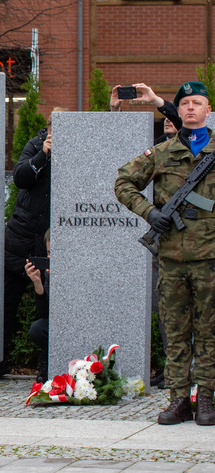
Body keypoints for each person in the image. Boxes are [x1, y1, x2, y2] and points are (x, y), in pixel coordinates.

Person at [115, 80, 215, 426]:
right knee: (175, 333)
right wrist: (149, 212)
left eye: (197, 102)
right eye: (185, 103)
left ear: (208, 111)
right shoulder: (161, 153)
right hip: (171, 259)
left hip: (210, 260)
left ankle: (205, 399)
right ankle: (178, 400)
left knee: (209, 333)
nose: (190, 108)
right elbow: (123, 182)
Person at [110, 83, 177, 388]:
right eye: (168, 117)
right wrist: (151, 213)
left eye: (174, 117)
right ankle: (172, 368)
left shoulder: (204, 147)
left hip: (201, 246)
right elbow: (119, 162)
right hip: (165, 244)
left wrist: (159, 102)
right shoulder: (160, 148)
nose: (169, 121)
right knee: (166, 311)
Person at [0, 109, 67, 378]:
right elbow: (20, 178)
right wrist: (44, 155)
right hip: (19, 239)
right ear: (47, 127)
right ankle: (0, 363)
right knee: (7, 306)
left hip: (49, 242)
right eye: (53, 126)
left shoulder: (76, 148)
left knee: (48, 308)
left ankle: (46, 366)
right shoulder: (36, 146)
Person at [25, 230, 50, 383]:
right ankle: (46, 367)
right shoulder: (48, 273)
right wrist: (38, 284)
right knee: (38, 328)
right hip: (56, 323)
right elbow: (45, 313)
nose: (50, 258)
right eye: (48, 253)